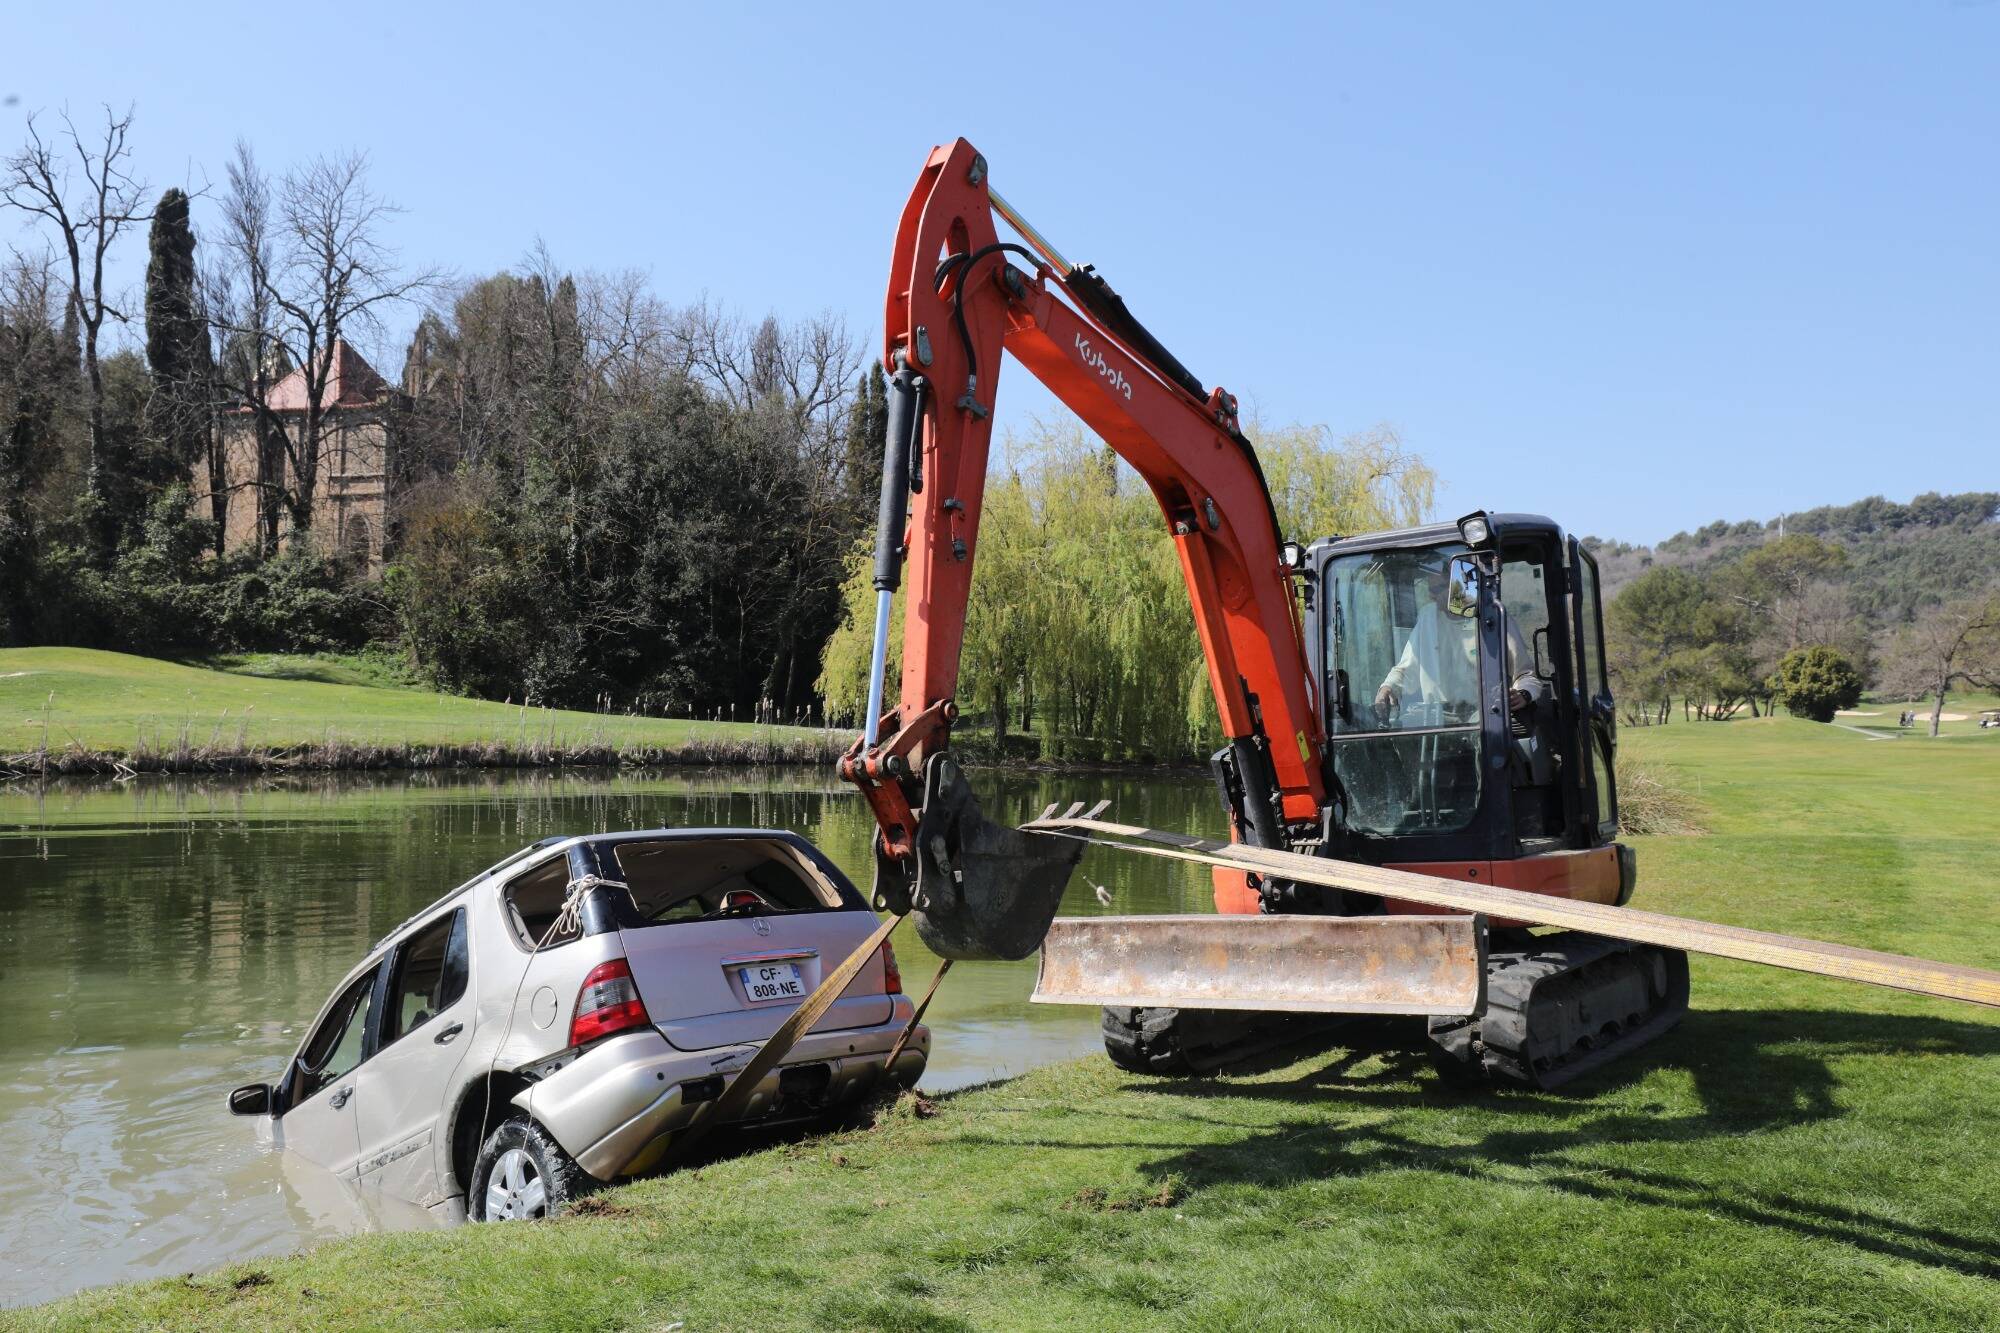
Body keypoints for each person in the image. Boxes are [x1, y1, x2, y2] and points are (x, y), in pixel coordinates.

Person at [1373, 559, 1545, 725]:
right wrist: (1388, 688)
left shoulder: (1492, 618)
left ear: (1459, 587)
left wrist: (1523, 694)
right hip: (1438, 721)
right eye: (1430, 590)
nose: (1431, 596)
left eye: (1437, 590)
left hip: (1486, 718)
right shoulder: (1427, 619)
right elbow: (1406, 670)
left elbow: (1525, 675)